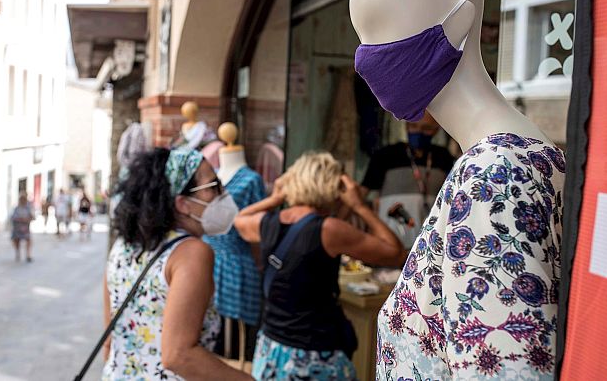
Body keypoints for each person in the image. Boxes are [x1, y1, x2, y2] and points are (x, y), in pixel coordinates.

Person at [233, 151, 407, 380]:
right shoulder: (328, 229)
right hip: (313, 354)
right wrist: (359, 206)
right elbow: (395, 253)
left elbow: (239, 220)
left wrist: (274, 200)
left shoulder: (269, 222)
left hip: (271, 350)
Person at [103, 148, 252, 380]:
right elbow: (179, 356)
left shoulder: (123, 246)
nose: (223, 194)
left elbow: (110, 341)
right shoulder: (191, 254)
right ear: (182, 203)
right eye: (213, 187)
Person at [359, 113, 456, 248]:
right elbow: (359, 194)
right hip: (392, 244)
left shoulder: (443, 158)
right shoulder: (386, 156)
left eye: (426, 128)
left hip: (428, 245)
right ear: (406, 125)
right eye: (413, 126)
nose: (419, 132)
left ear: (436, 129)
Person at [10, 193, 34, 262]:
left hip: (25, 228)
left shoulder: (28, 208)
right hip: (17, 228)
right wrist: (20, 219)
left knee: (28, 240)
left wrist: (26, 219)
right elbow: (12, 217)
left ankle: (28, 254)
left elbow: (31, 217)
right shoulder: (16, 208)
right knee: (16, 240)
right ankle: (18, 252)